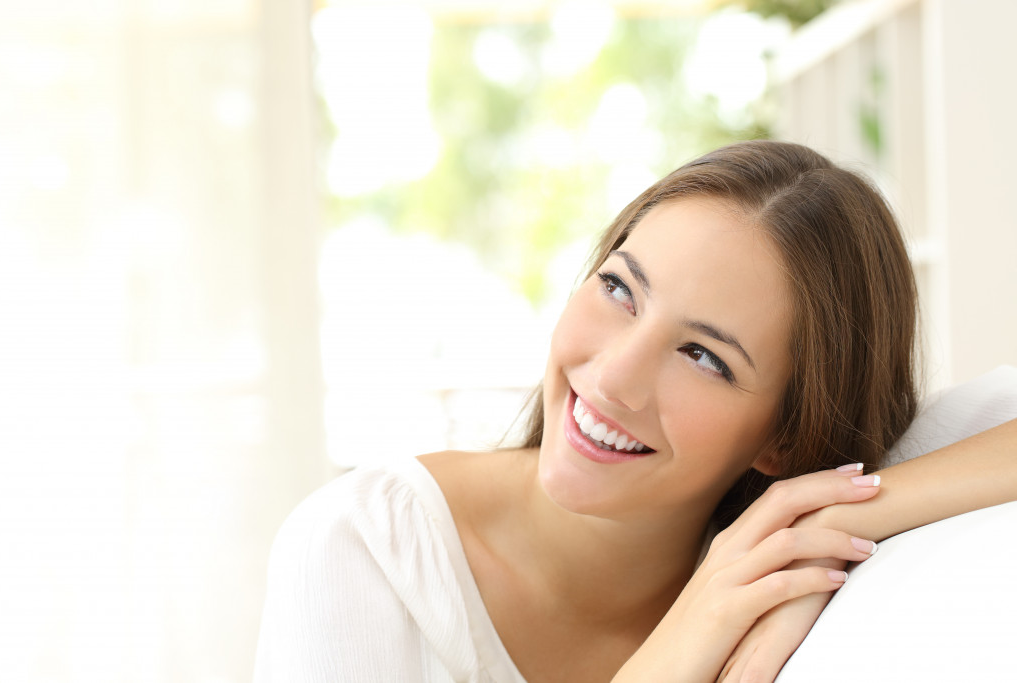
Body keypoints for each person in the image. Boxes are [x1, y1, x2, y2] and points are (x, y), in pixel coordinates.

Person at [253, 140, 1017, 683]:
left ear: (785, 440)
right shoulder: (362, 551)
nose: (613, 376)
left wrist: (827, 518)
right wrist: (673, 650)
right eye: (621, 289)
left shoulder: (762, 574)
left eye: (704, 356)